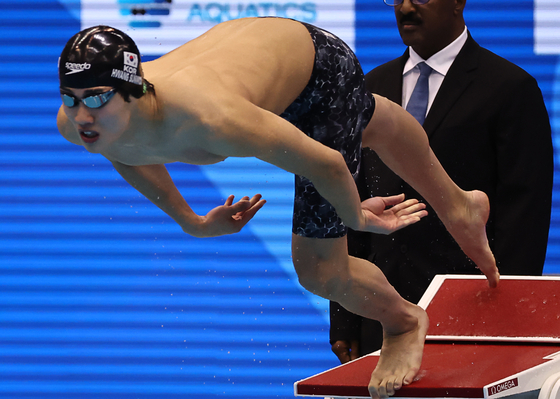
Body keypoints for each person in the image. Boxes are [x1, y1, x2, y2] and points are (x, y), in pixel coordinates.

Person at [56, 17, 500, 398]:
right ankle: (460, 205)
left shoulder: (212, 119)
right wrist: (191, 222)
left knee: (320, 270)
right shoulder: (85, 124)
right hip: (271, 55)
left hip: (319, 67)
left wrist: (357, 216)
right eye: (71, 99)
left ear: (133, 90)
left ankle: (403, 322)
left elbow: (325, 162)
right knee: (367, 121)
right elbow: (125, 149)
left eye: (95, 98)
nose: (81, 116)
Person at [330, 0, 553, 363]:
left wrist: (510, 320)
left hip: (472, 313)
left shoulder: (510, 88)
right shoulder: (370, 88)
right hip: (380, 313)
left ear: (458, 2)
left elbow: (525, 217)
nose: (405, 7)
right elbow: (349, 201)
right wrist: (343, 318)